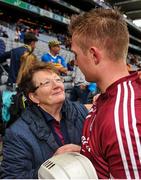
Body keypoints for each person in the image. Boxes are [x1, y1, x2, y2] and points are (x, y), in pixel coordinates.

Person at [69, 8, 141, 178]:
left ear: (94, 55)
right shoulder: (109, 97)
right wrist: (85, 154)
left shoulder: (122, 121)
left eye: (76, 54)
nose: (76, 62)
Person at [0, 60, 88, 179]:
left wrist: (85, 152)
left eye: (58, 80)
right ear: (34, 97)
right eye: (46, 83)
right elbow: (12, 177)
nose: (57, 85)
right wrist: (51, 168)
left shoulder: (81, 111)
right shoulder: (17, 134)